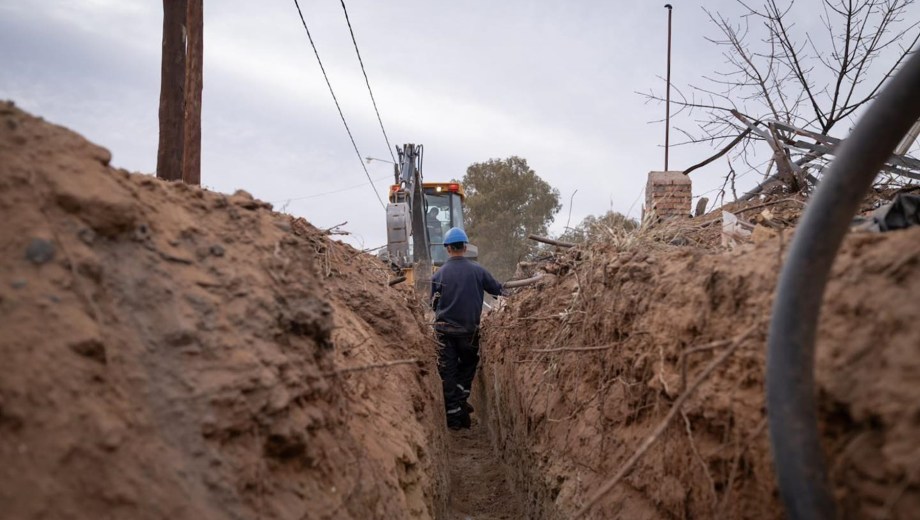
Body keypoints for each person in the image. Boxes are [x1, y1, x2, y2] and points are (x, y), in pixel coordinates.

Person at [430, 227, 503, 430]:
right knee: (469, 363)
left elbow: (433, 305)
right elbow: (499, 291)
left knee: (448, 373)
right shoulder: (478, 270)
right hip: (469, 332)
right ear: (465, 247)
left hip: (444, 332)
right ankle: (462, 399)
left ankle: (454, 418)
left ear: (447, 249)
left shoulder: (439, 275)